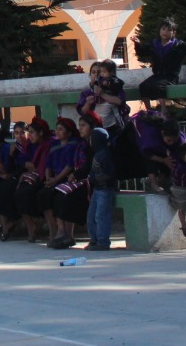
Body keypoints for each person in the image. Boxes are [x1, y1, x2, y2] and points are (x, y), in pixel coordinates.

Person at [133, 19, 186, 111]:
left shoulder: (178, 45)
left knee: (159, 87)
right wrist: (137, 44)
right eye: (163, 29)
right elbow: (141, 53)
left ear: (173, 32)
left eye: (169, 30)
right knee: (143, 86)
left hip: (170, 77)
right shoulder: (154, 44)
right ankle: (149, 110)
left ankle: (163, 110)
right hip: (157, 75)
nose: (165, 32)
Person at [39, 117, 87, 249]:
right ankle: (54, 231)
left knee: (61, 196)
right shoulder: (54, 145)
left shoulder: (74, 144)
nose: (57, 132)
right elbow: (48, 164)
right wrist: (49, 180)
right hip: (55, 180)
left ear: (69, 132)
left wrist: (56, 180)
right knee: (44, 194)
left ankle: (66, 233)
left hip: (69, 179)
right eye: (57, 129)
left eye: (61, 129)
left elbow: (70, 165)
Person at [12, 118, 54, 243]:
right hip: (32, 175)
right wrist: (28, 165)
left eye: (31, 132)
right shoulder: (29, 145)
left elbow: (45, 165)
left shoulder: (48, 145)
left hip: (45, 177)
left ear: (41, 133)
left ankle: (49, 228)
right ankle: (30, 224)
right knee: (17, 193)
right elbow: (23, 161)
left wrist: (35, 167)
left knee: (33, 193)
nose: (29, 135)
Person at [83, 113, 118, 251]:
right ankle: (94, 240)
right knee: (91, 215)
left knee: (101, 215)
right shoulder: (97, 153)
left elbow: (109, 173)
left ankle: (103, 242)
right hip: (97, 189)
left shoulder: (105, 155)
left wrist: (95, 177)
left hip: (105, 190)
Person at [77, 59, 129, 136]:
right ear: (90, 75)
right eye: (93, 72)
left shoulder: (114, 88)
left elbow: (120, 102)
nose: (97, 75)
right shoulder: (86, 93)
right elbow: (82, 112)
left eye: (100, 72)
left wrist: (102, 94)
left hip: (114, 129)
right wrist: (88, 103)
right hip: (94, 130)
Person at [144, 119, 186, 195]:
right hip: (152, 155)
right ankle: (154, 184)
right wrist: (163, 160)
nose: (171, 143)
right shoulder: (153, 136)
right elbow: (146, 154)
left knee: (171, 162)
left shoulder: (180, 141)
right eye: (169, 140)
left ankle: (163, 183)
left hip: (166, 155)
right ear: (162, 133)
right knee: (150, 162)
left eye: (174, 140)